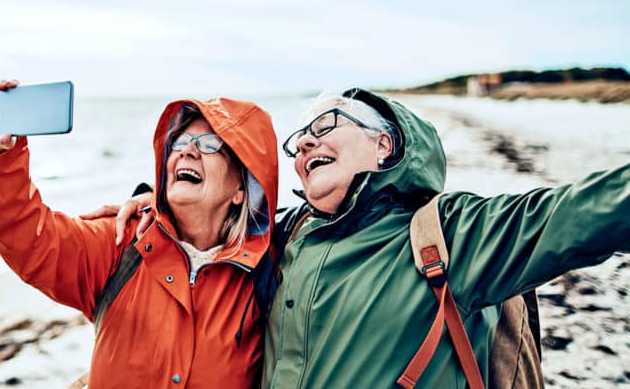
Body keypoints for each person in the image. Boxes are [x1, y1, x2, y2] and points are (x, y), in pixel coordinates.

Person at [112, 88, 629, 387]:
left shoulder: (450, 232)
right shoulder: (287, 236)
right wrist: (153, 210)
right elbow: (211, 231)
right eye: (300, 139)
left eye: (327, 123)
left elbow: (577, 215)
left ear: (384, 144)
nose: (306, 141)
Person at [0, 70, 278, 388]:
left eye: (210, 144)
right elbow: (33, 239)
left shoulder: (267, 273)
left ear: (242, 187)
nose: (188, 150)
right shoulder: (124, 241)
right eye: (180, 141)